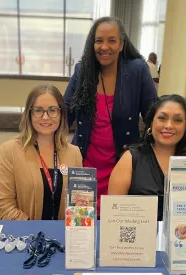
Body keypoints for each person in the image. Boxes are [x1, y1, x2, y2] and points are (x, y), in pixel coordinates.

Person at [64, 16, 157, 215]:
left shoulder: (137, 70)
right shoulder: (82, 70)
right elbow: (65, 114)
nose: (104, 46)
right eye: (99, 41)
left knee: (116, 222)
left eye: (111, 40)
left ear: (122, 44)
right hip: (85, 166)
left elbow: (153, 114)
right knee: (82, 226)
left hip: (122, 166)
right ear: (92, 43)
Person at [108, 94, 186, 220]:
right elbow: (112, 216)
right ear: (151, 122)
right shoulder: (130, 159)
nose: (169, 125)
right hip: (138, 237)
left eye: (178, 120)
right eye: (162, 118)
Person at [0, 85, 82, 220]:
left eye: (52, 110)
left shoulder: (74, 153)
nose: (45, 117)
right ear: (29, 114)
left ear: (61, 114)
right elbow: (4, 206)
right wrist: (37, 233)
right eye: (38, 110)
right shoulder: (9, 150)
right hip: (22, 237)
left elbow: (78, 206)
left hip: (60, 237)